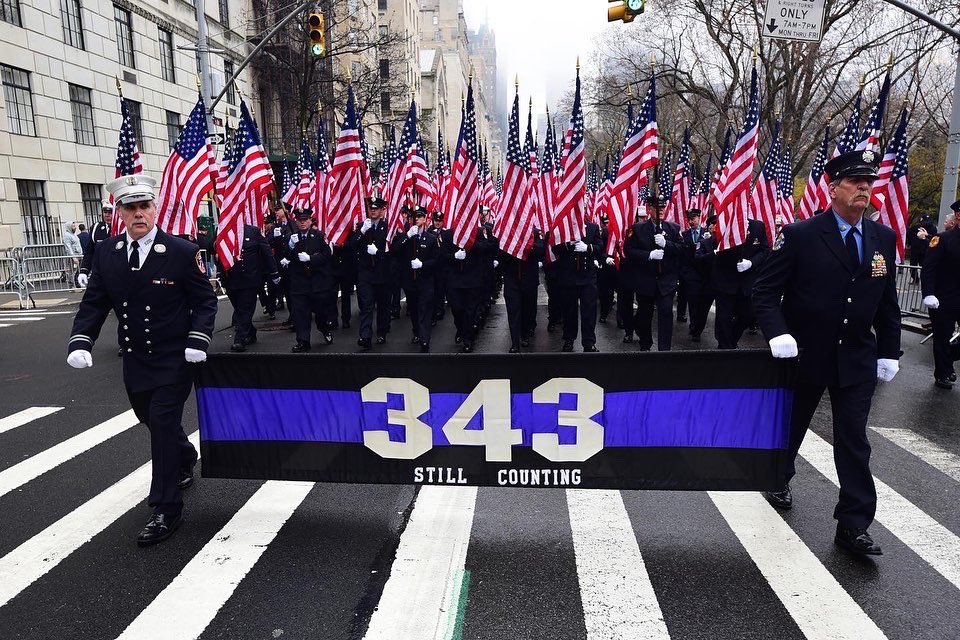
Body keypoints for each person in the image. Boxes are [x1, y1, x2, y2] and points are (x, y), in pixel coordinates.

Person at [752, 150, 901, 556]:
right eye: (855, 182)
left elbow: (886, 301)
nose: (864, 189)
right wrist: (777, 333)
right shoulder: (801, 235)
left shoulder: (881, 238)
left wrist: (890, 350)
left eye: (868, 183)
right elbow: (764, 292)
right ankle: (779, 477)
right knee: (794, 425)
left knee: (853, 440)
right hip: (806, 353)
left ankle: (853, 525)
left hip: (856, 357)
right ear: (833, 187)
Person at [66, 174, 217, 546]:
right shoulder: (108, 252)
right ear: (120, 212)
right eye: (130, 207)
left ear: (155, 209)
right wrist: (81, 340)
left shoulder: (181, 251)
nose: (138, 214)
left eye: (144, 206)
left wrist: (199, 339)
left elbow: (205, 300)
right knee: (149, 419)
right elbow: (96, 301)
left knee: (163, 422)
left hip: (174, 358)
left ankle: (167, 507)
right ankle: (184, 456)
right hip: (136, 359)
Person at [622, 190, 682, 351]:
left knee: (666, 313)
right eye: (657, 208)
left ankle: (664, 350)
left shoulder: (674, 228)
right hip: (645, 280)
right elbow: (629, 250)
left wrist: (666, 244)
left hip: (666, 281)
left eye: (663, 208)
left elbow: (683, 250)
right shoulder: (637, 229)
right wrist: (649, 255)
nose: (661, 210)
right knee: (644, 316)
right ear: (649, 209)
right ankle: (645, 345)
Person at [697, 216, 769, 349]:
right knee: (723, 318)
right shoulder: (725, 224)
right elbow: (716, 247)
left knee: (748, 315)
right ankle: (725, 348)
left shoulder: (758, 226)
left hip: (747, 281)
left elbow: (764, 250)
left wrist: (751, 263)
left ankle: (730, 341)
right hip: (725, 279)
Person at [921, 200, 960, 389]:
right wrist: (928, 293)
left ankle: (950, 355)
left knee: (946, 345)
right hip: (943, 299)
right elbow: (929, 268)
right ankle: (943, 373)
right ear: (959, 216)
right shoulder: (943, 239)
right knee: (942, 336)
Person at [222, 224, 279, 352]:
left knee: (245, 309)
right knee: (239, 308)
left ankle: (239, 340)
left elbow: (266, 252)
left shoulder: (253, 232)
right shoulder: (223, 229)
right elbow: (212, 247)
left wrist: (273, 272)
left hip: (249, 278)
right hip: (231, 278)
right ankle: (251, 331)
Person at [445, 220, 498, 352]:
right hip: (455, 278)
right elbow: (441, 255)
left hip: (473, 278)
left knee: (470, 310)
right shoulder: (449, 233)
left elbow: (486, 248)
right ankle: (461, 329)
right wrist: (454, 256)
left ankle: (467, 339)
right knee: (457, 309)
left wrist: (471, 243)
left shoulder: (478, 232)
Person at [393, 207, 441, 352]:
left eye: (420, 217)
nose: (417, 220)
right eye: (414, 218)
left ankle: (425, 339)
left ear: (425, 219)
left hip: (425, 281)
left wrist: (423, 265)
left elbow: (437, 261)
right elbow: (395, 251)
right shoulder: (406, 237)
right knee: (414, 309)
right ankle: (416, 331)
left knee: (424, 309)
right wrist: (407, 236)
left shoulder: (431, 239)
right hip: (410, 281)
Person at [285, 209, 333, 352]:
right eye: (300, 220)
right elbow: (285, 256)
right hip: (300, 283)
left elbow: (327, 255)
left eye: (305, 219)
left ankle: (325, 329)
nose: (302, 222)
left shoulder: (318, 236)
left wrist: (311, 259)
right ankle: (303, 341)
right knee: (300, 314)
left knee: (320, 313)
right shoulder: (292, 237)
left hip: (317, 283)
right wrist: (290, 246)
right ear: (296, 221)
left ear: (310, 220)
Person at [553, 220, 604, 353]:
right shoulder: (564, 226)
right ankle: (569, 339)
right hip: (569, 276)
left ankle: (589, 342)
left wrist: (588, 248)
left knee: (589, 311)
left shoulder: (592, 227)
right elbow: (554, 248)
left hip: (587, 276)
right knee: (569, 311)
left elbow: (599, 247)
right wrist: (568, 245)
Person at [356, 197, 394, 350]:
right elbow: (353, 245)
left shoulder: (388, 227)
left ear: (382, 210)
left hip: (383, 273)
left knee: (383, 306)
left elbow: (393, 253)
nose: (373, 211)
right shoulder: (363, 226)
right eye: (371, 208)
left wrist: (378, 253)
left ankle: (382, 332)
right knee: (366, 305)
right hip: (366, 273)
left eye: (376, 208)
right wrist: (362, 232)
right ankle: (365, 336)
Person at [501, 228, 546, 352]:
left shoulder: (535, 233)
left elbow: (541, 250)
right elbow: (500, 253)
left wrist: (527, 246)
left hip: (529, 278)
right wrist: (513, 248)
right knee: (513, 309)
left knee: (528, 309)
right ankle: (515, 342)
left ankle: (525, 334)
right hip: (511, 277)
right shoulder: (507, 230)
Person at [680, 210, 714, 343]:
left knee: (703, 305)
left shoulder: (708, 232)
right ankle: (694, 326)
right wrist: (684, 274)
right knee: (693, 302)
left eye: (693, 218)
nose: (691, 221)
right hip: (691, 275)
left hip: (705, 275)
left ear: (699, 218)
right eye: (689, 219)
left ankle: (698, 326)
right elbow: (683, 256)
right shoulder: (684, 234)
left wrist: (707, 239)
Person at [907, 213, 939, 282]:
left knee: (913, 266)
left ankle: (915, 279)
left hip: (915, 248)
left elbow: (909, 233)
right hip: (926, 249)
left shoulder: (916, 226)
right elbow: (934, 238)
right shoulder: (933, 227)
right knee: (924, 266)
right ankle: (924, 279)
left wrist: (910, 243)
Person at [62, 222, 83, 287]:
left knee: (78, 271)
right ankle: (72, 285)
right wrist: (73, 257)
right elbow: (68, 247)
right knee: (72, 271)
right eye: (73, 226)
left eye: (75, 226)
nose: (75, 228)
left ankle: (76, 284)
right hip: (73, 256)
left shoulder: (74, 235)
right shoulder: (67, 236)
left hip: (79, 255)